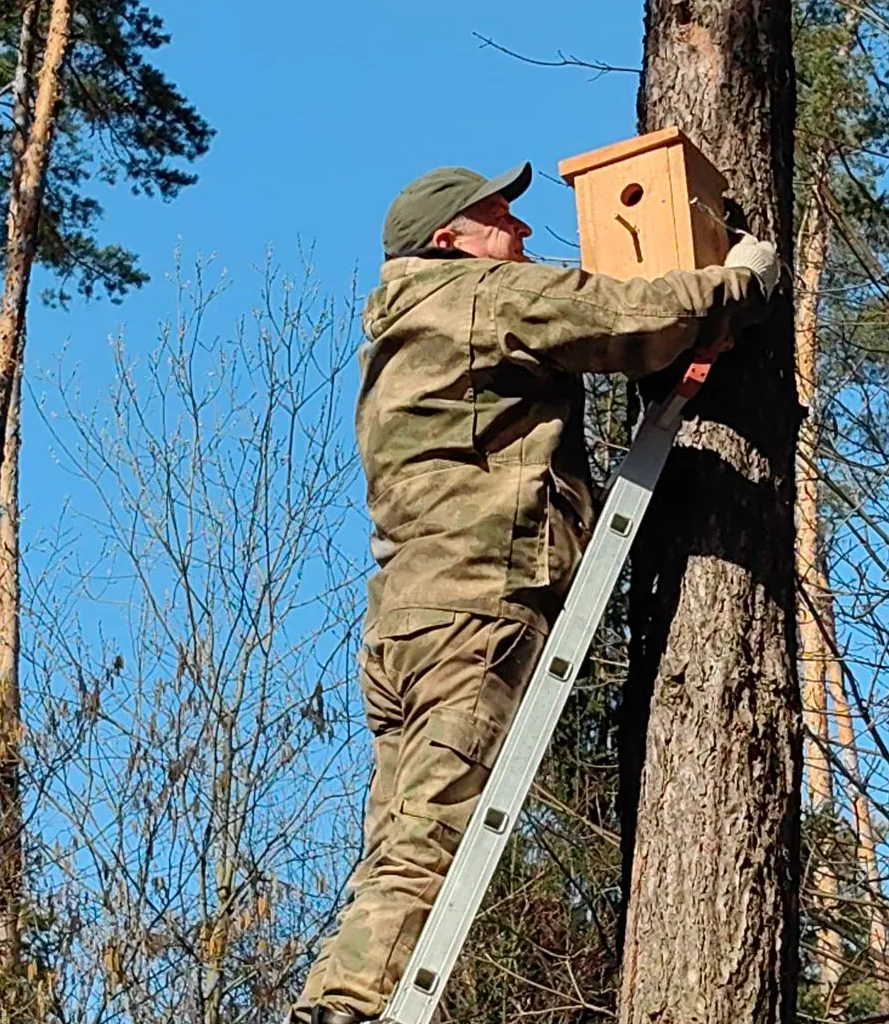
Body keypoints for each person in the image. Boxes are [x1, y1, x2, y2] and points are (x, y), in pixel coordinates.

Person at [291, 160, 780, 1024]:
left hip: (404, 622)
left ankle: (340, 992)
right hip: (476, 603)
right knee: (434, 835)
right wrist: (738, 279)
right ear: (452, 241)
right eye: (499, 218)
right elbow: (629, 315)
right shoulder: (478, 296)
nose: (520, 233)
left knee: (398, 843)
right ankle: (349, 1007)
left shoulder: (397, 335)